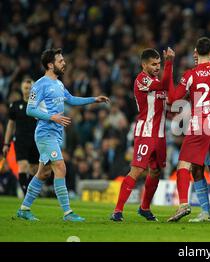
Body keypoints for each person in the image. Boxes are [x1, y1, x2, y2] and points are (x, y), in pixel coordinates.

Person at [16, 48, 109, 221]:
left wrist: (93, 99)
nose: (64, 63)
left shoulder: (59, 84)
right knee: (60, 167)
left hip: (56, 134)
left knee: (43, 174)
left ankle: (24, 209)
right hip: (45, 133)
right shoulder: (40, 85)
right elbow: (30, 109)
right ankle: (67, 213)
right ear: (50, 65)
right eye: (60, 61)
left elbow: (71, 99)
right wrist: (52, 117)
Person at [167, 37, 210, 223]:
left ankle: (183, 204)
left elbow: (173, 99)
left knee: (184, 164)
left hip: (200, 123)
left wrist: (169, 67)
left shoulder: (191, 74)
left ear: (196, 52)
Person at [110, 48, 174, 222]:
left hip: (160, 135)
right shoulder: (141, 79)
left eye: (159, 64)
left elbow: (168, 92)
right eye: (153, 64)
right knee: (137, 169)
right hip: (146, 133)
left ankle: (144, 208)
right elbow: (163, 85)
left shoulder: (157, 80)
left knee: (156, 171)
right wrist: (170, 62)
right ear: (144, 64)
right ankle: (117, 210)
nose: (157, 67)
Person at [2, 78, 40, 195]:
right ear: (22, 89)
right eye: (26, 88)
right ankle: (25, 193)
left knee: (34, 169)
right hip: (20, 140)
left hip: (35, 140)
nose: (28, 90)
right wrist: (6, 143)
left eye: (30, 88)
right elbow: (10, 125)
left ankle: (29, 191)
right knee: (23, 165)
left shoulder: (39, 105)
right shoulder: (15, 105)